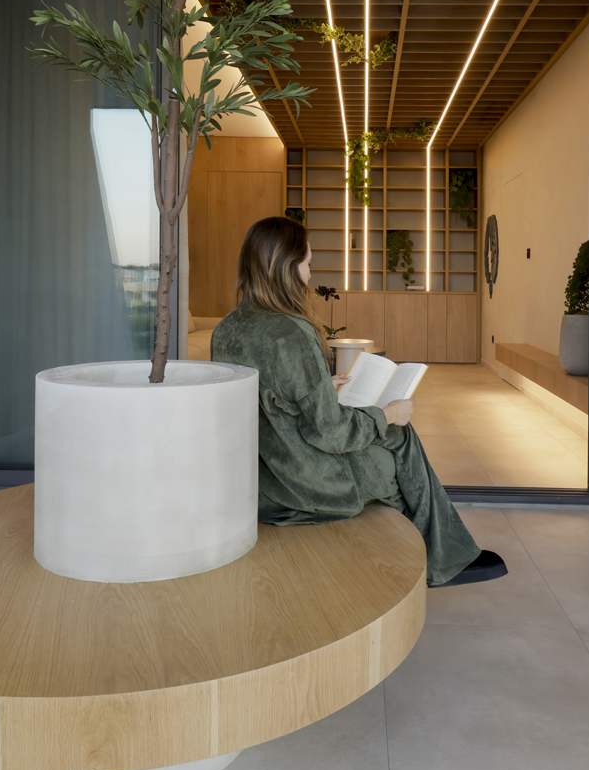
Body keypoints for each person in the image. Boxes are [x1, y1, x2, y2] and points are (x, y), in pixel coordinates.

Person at [211, 216, 507, 587]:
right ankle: (444, 558)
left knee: (395, 435)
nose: (308, 276)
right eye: (307, 265)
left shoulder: (228, 328)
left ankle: (446, 551)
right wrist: (386, 413)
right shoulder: (291, 331)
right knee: (400, 433)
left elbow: (265, 402)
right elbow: (331, 434)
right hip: (305, 482)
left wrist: (321, 385)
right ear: (285, 267)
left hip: (264, 477)